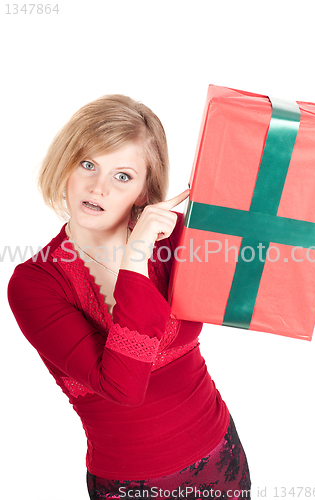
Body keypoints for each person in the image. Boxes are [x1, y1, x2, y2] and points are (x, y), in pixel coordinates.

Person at [7, 95, 251, 500]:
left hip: (220, 455)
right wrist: (135, 258)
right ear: (65, 164)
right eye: (88, 164)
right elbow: (123, 387)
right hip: (128, 483)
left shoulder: (174, 238)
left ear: (143, 192)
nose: (98, 187)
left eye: (123, 176)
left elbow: (272, 268)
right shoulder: (35, 283)